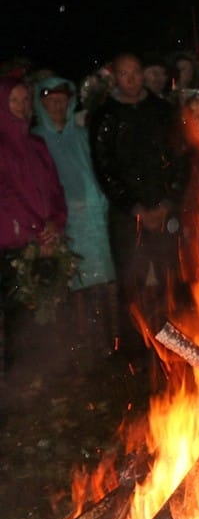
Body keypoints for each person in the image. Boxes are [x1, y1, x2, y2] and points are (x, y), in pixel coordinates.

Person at [89, 52, 190, 363]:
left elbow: (180, 160)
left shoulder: (163, 112)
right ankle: (134, 351)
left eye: (135, 72)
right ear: (115, 77)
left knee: (168, 277)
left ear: (144, 73)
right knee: (130, 283)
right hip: (126, 215)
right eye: (123, 74)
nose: (130, 79)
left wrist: (166, 203)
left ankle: (177, 348)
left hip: (164, 212)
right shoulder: (105, 117)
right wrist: (134, 208)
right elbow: (104, 168)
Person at [32, 77, 119, 362]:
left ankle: (112, 345)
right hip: (62, 223)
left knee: (105, 282)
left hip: (94, 220)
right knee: (74, 286)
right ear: (41, 104)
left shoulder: (82, 136)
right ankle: (82, 350)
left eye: (62, 100)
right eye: (51, 101)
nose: (57, 106)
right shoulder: (36, 140)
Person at [0, 77, 67, 381]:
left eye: (26, 100)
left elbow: (54, 190)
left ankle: (45, 377)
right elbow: (7, 196)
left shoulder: (36, 144)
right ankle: (19, 383)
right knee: (18, 315)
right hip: (15, 244)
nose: (22, 106)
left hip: (46, 241)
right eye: (14, 100)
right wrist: (36, 232)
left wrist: (55, 222)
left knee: (47, 309)